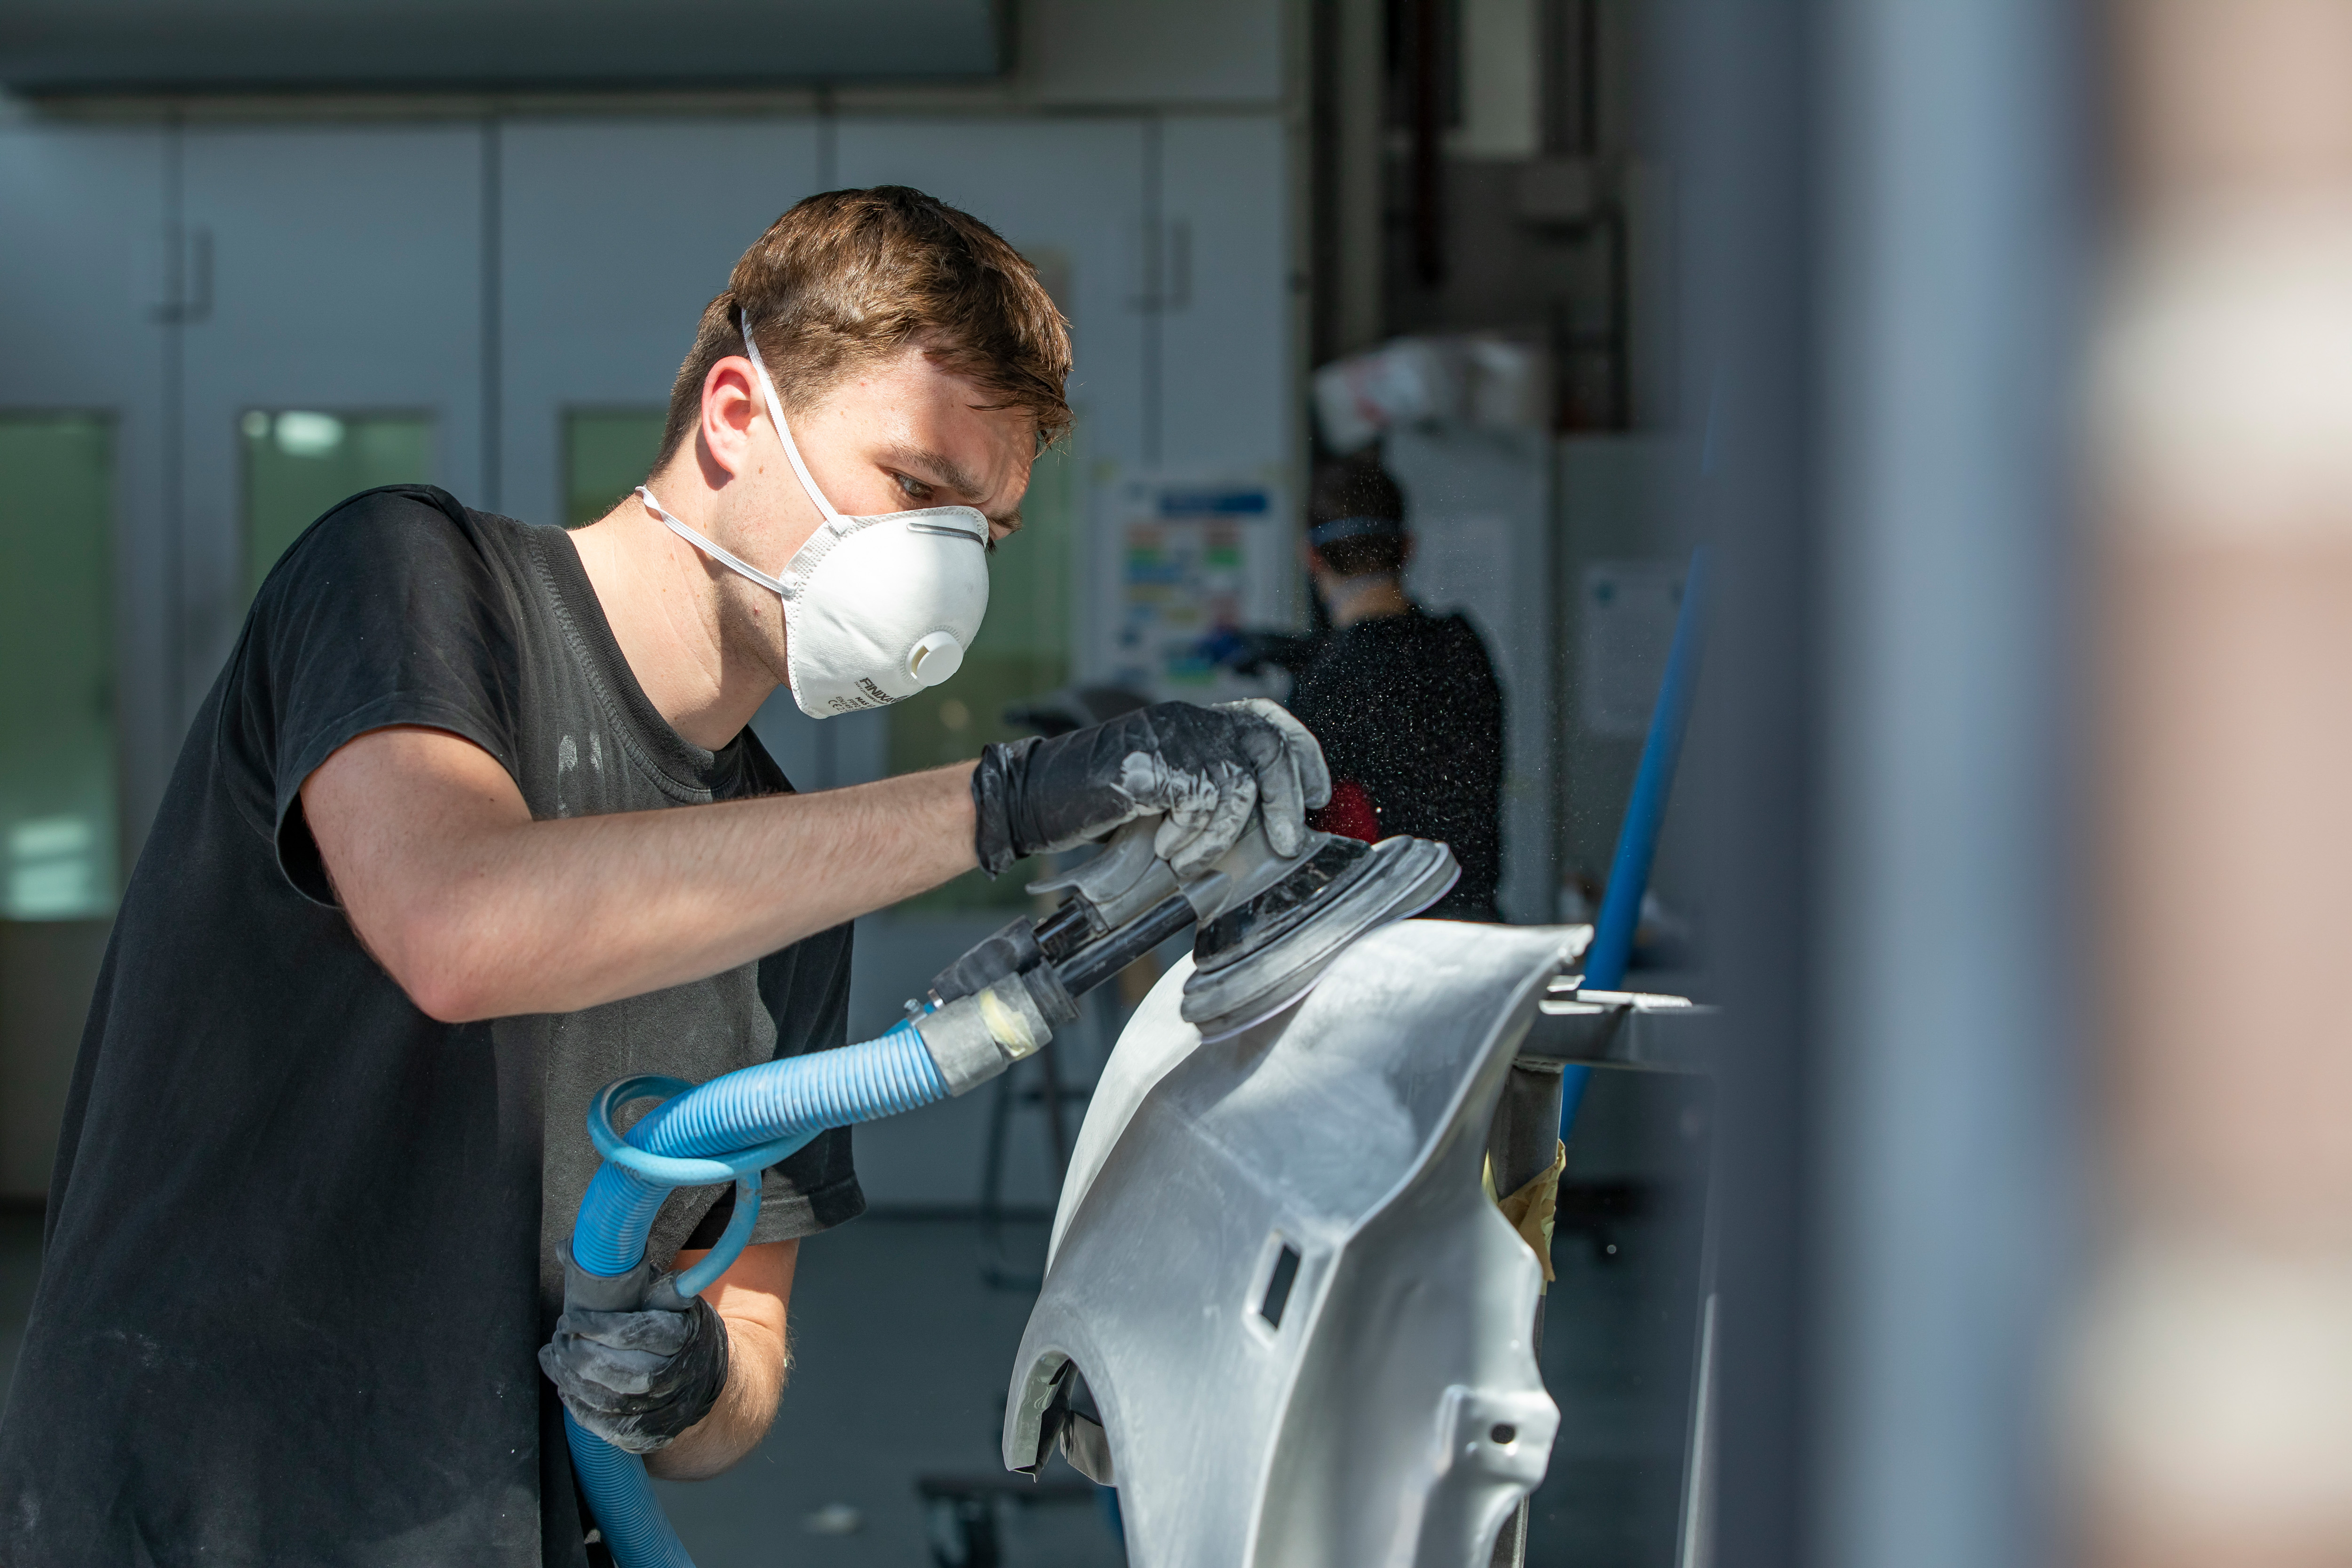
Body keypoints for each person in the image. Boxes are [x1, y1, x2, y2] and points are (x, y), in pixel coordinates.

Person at [0, 187, 1325, 1566]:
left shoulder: (783, 879)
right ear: (737, 415)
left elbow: (749, 1333)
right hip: (180, 1515)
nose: (948, 570)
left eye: (983, 534)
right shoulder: (406, 581)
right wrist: (1005, 798)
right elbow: (459, 926)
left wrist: (689, 1379)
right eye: (916, 490)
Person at [1282, 455, 1505, 920]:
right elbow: (1396, 662)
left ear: (1311, 557)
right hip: (1476, 927)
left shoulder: (1328, 683)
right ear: (1406, 548)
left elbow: (1294, 827)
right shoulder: (1463, 647)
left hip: (1383, 939)